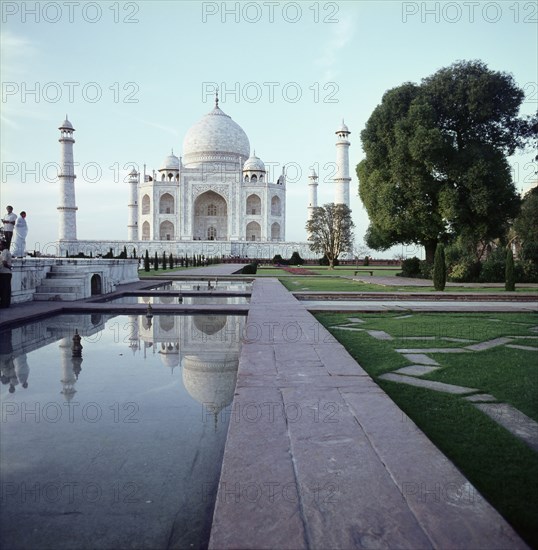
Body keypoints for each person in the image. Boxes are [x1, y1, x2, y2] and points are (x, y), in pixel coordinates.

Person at [0, 239, 13, 308]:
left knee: (4, 290)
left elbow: (4, 262)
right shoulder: (7, 252)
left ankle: (4, 304)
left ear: (3, 245)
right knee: (7, 289)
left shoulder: (4, 252)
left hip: (4, 273)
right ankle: (6, 303)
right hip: (7, 273)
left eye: (0, 245)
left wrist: (9, 267)